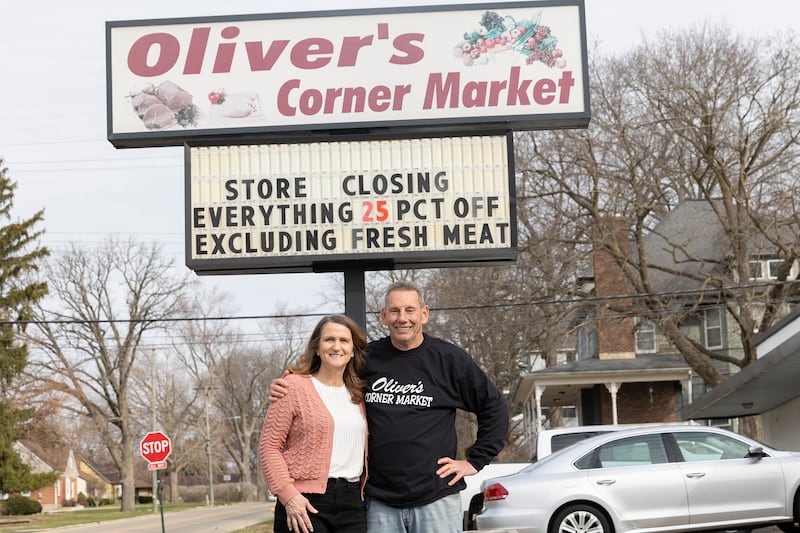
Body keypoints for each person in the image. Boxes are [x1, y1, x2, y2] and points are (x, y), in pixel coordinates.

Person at [271, 280, 509, 533]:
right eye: (394, 311)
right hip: (379, 501)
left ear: (424, 314)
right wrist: (291, 380)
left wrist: (475, 461)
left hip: (435, 498)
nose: (402, 318)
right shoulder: (367, 359)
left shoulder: (448, 360)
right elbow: (327, 375)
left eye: (410, 310)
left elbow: (493, 406)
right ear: (384, 316)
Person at [259, 314, 368, 533]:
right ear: (317, 348)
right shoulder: (293, 387)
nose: (337, 346)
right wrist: (289, 497)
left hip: (352, 502)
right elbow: (269, 447)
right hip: (304, 501)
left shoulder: (360, 393)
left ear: (353, 350)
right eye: (329, 340)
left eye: (344, 341)